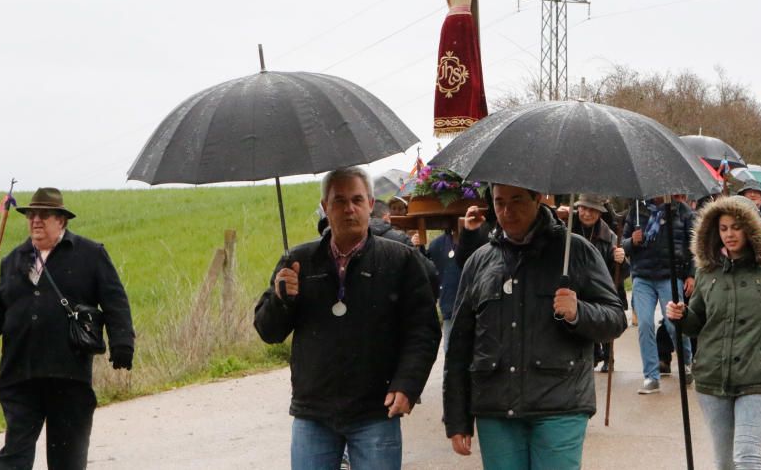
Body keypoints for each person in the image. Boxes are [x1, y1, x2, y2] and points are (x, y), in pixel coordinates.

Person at [254, 167, 441, 470]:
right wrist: (281, 300)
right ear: (325, 208)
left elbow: (424, 330)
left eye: (356, 199)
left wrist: (407, 385)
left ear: (370, 204)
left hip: (376, 412)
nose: (349, 208)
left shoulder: (399, 261)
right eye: (339, 201)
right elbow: (268, 331)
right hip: (314, 413)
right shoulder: (298, 262)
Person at [443, 183, 626, 469]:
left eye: (516, 201)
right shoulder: (480, 261)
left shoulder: (576, 251)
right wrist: (457, 418)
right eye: (499, 202)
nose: (506, 211)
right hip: (496, 407)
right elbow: (460, 345)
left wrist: (579, 312)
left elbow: (615, 318)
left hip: (560, 403)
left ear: (538, 199)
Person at [0, 187, 134, 469]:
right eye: (31, 215)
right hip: (20, 375)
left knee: (67, 458)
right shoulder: (13, 261)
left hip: (68, 376)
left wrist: (122, 341)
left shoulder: (90, 255)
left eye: (44, 215)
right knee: (14, 456)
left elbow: (115, 301)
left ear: (61, 221)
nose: (36, 221)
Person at [666, 196, 761, 470]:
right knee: (725, 463)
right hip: (711, 376)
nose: (729, 234)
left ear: (751, 229)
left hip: (758, 376)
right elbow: (696, 323)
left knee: (747, 457)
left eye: (736, 227)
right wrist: (680, 316)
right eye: (724, 228)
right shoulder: (707, 272)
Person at [388, 0, 536, 135]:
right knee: (448, 68)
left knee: (468, 69)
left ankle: (470, 109)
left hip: (465, 23)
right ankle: (452, 109)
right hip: (450, 24)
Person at [623, 197, 695, 394]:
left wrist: (691, 274)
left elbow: (694, 246)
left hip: (670, 276)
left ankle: (686, 362)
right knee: (645, 324)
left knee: (674, 323)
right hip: (642, 276)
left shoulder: (683, 211)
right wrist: (632, 241)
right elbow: (623, 244)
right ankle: (651, 377)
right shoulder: (637, 209)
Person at [561, 195, 629, 372]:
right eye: (583, 208)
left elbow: (622, 274)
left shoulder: (610, 237)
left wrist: (619, 261)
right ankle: (589, 356)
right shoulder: (566, 228)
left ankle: (608, 357)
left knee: (602, 322)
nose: (587, 213)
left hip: (598, 287)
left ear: (599, 213)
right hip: (574, 285)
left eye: (592, 210)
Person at [427, 229, 461, 352]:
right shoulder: (437, 244)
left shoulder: (475, 238)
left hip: (472, 303)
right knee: (450, 348)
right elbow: (427, 269)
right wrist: (418, 247)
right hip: (449, 303)